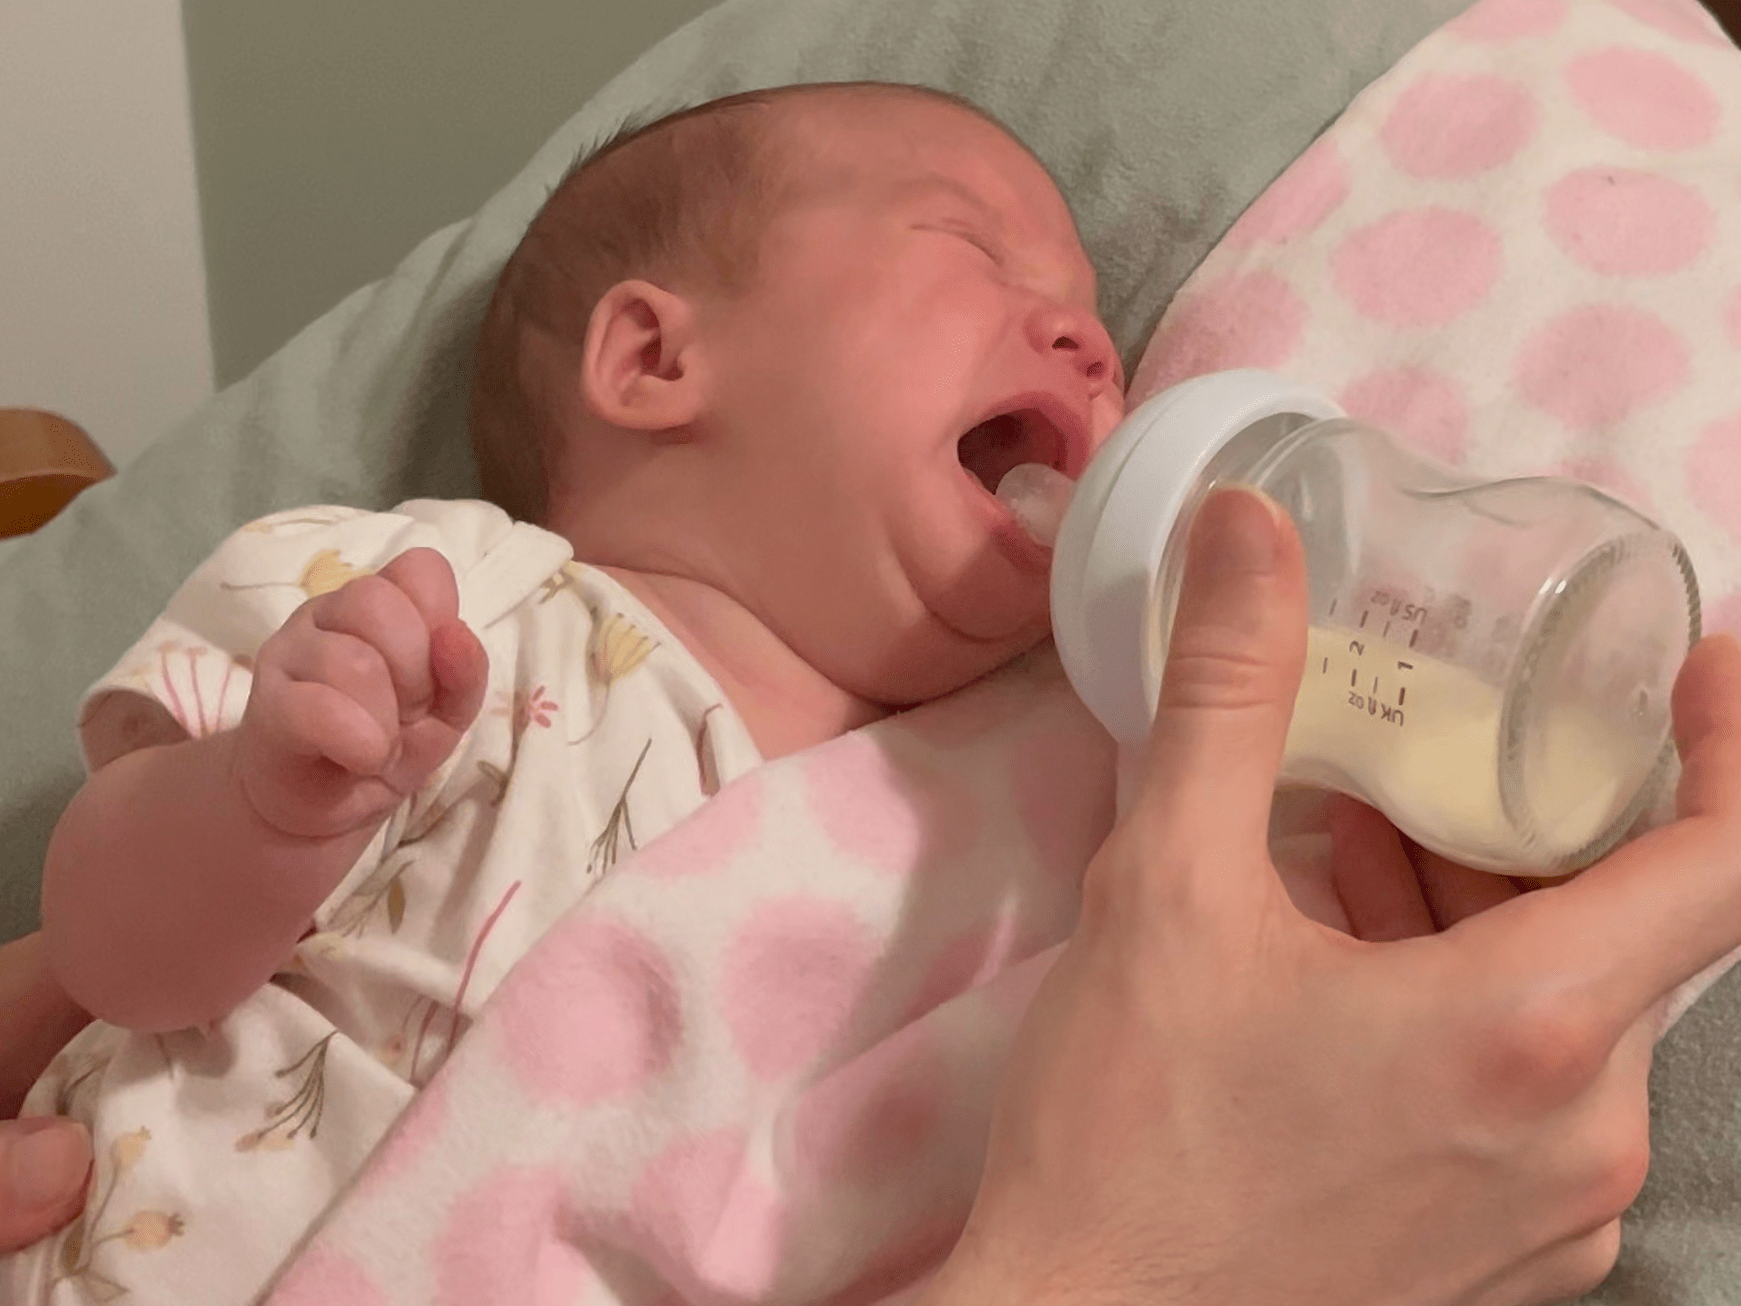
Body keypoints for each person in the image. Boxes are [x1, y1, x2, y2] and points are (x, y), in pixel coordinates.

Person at [3, 79, 1739, 1305]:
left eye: (1096, 324)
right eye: (977, 251)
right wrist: (261, 808)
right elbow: (109, 953)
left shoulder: (1007, 795)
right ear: (654, 358)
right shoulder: (447, 604)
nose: (1089, 346)